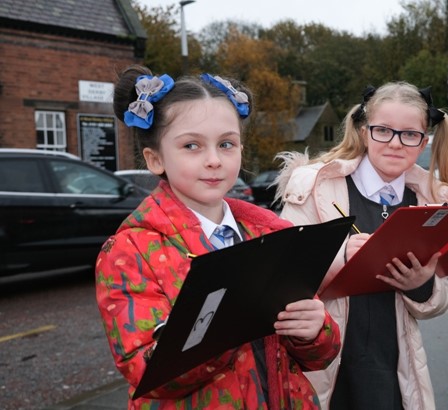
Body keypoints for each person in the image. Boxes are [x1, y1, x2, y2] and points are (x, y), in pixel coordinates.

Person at [95, 65, 341, 409]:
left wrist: (315, 330)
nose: (214, 160)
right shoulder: (128, 251)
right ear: (155, 159)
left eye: (226, 144)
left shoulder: (271, 233)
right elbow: (143, 371)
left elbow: (321, 356)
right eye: (192, 145)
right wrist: (222, 325)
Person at [274, 82, 448, 409]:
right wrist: (340, 255)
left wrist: (421, 285)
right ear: (363, 132)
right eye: (383, 131)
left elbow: (441, 297)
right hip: (328, 363)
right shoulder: (315, 186)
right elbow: (282, 273)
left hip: (395, 367)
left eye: (409, 134)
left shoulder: (430, 200)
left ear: (424, 142)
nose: (395, 143)